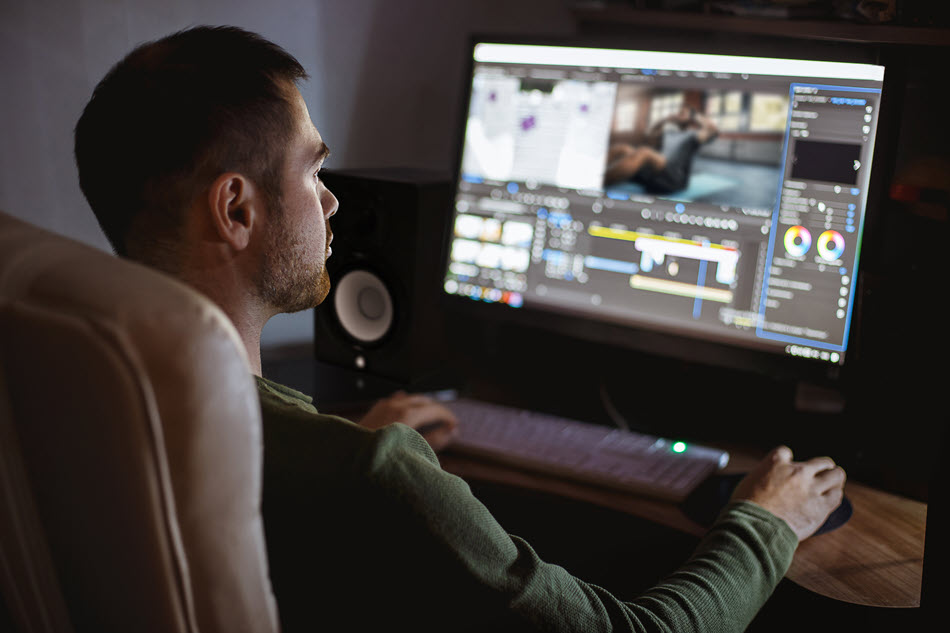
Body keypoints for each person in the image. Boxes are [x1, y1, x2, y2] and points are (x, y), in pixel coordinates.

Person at [74, 26, 846, 632]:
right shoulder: (369, 474)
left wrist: (350, 441)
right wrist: (763, 522)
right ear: (237, 209)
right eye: (313, 171)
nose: (333, 202)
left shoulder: (93, 392)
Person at [605, 105, 718, 194]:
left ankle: (601, 180)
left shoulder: (693, 135)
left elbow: (712, 130)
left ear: (690, 118)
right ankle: (595, 168)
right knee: (623, 148)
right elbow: (650, 135)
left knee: (644, 152)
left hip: (674, 178)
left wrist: (696, 115)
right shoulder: (669, 132)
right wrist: (664, 120)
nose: (678, 115)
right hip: (659, 171)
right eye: (678, 112)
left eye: (682, 113)